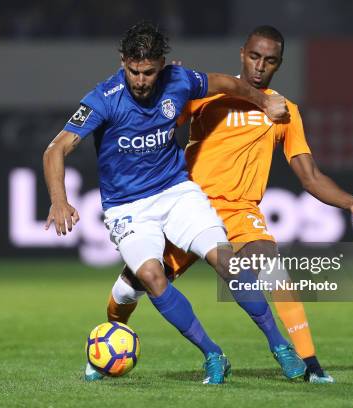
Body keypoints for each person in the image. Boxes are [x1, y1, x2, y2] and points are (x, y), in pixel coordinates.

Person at [99, 25, 353, 384]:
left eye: (269, 61)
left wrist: (349, 203)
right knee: (132, 286)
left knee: (274, 269)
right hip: (187, 204)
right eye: (254, 57)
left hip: (240, 212)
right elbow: (154, 126)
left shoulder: (284, 112)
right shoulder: (208, 96)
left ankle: (309, 363)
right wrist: (165, 86)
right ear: (242, 54)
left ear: (279, 64)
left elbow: (311, 177)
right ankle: (109, 342)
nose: (259, 66)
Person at [43, 21, 295, 385]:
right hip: (127, 207)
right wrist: (59, 200)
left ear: (162, 65)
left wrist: (264, 100)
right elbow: (56, 149)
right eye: (134, 71)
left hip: (176, 192)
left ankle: (280, 346)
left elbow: (228, 83)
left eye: (149, 72)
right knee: (149, 276)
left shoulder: (180, 80)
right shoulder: (102, 99)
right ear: (122, 63)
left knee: (226, 262)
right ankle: (213, 354)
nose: (141, 81)